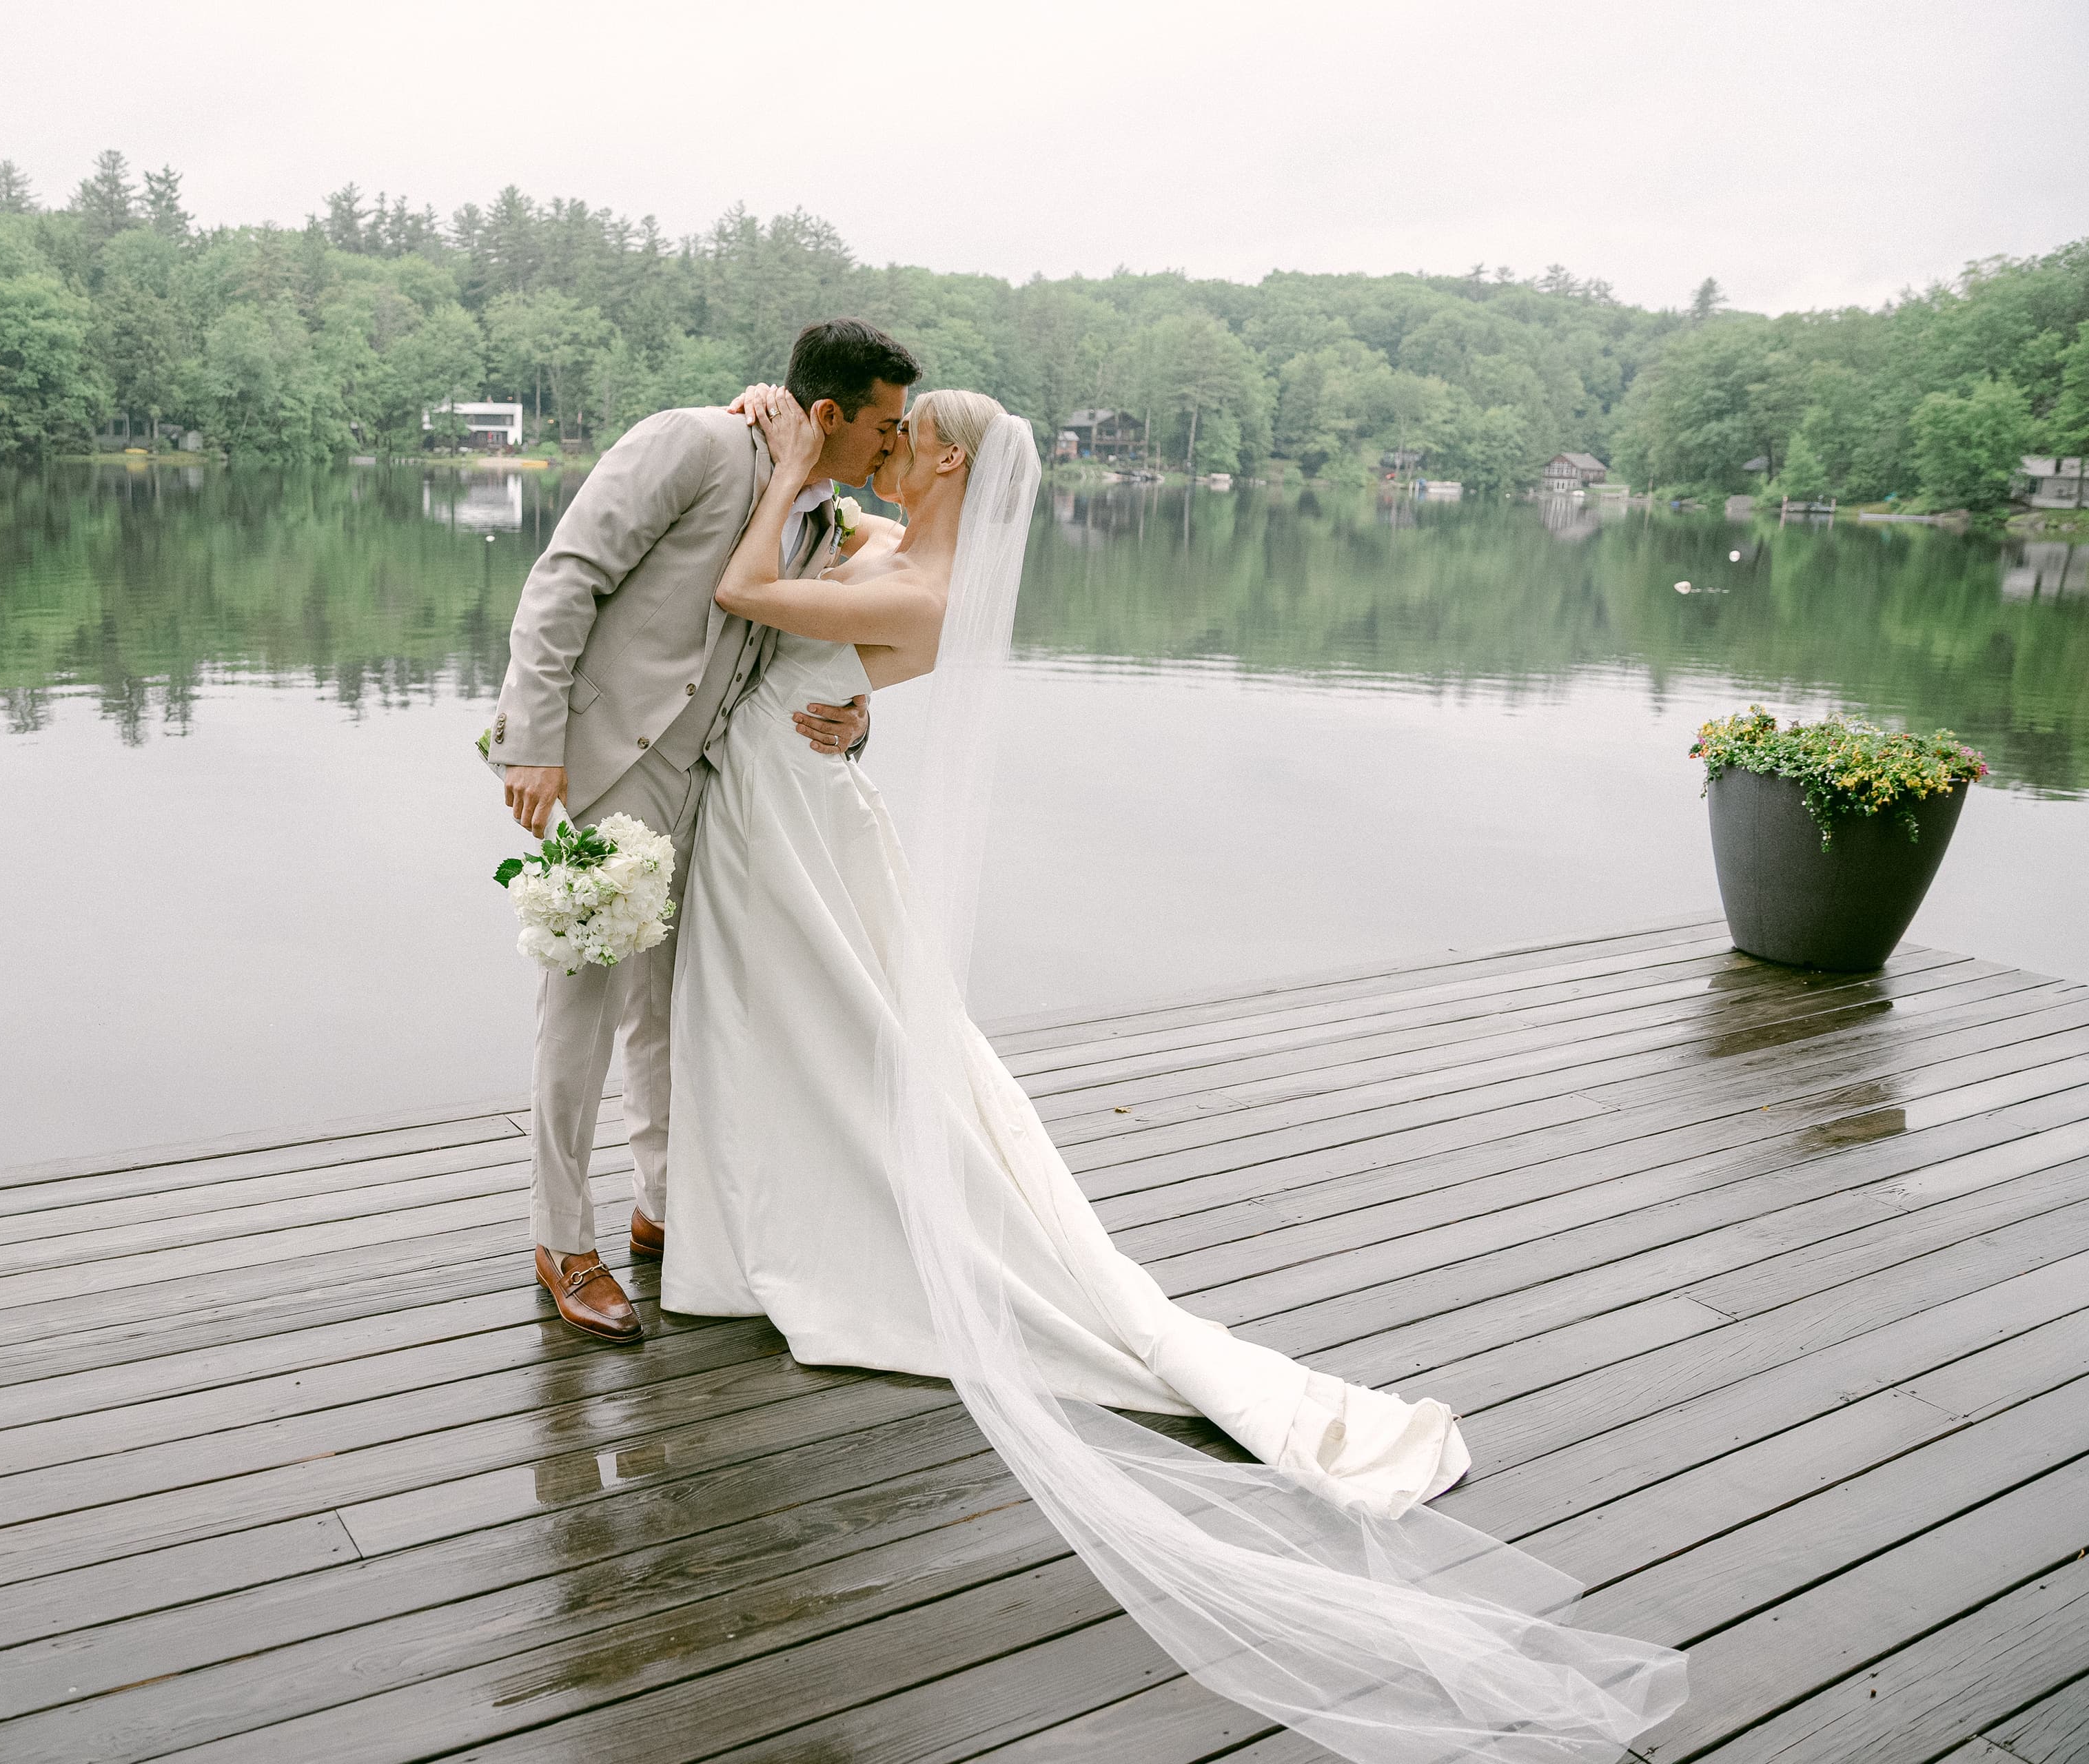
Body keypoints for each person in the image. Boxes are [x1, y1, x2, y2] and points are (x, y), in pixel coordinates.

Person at [653, 384, 1689, 1764]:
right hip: (800, 819)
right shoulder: (895, 548)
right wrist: (845, 663)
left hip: (798, 828)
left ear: (948, 455)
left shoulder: (920, 572)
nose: (882, 446)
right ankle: (749, 1220)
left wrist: (786, 474)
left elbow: (747, 593)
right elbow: (837, 679)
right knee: (818, 1033)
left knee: (845, 1042)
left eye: (904, 437)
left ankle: (790, 1237)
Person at [486, 318, 918, 1342]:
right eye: (885, 428)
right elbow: (566, 577)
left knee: (671, 1008)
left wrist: (857, 713)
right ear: (827, 415)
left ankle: (662, 1207)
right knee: (581, 1013)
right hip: (608, 766)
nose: (893, 448)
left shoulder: (823, 522)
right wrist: (531, 742)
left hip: (716, 790)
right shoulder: (694, 442)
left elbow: (812, 647)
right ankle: (562, 1240)